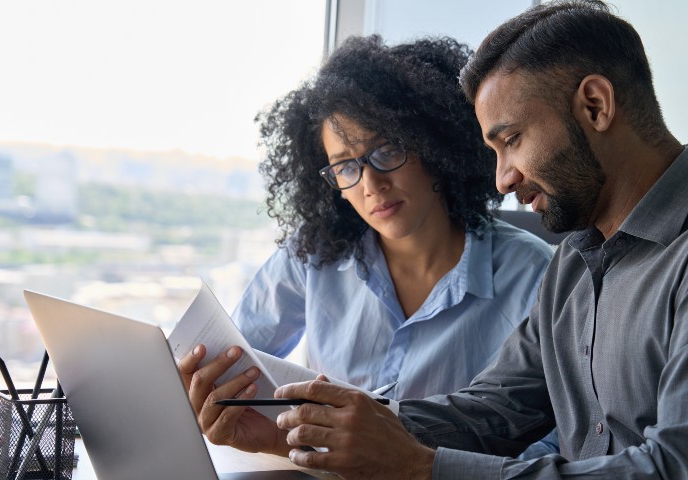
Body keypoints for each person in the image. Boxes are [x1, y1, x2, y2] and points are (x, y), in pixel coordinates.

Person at [182, 1, 688, 477]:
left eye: (510, 140)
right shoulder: (578, 264)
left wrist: (422, 470)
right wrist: (304, 431)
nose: (502, 178)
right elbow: (494, 410)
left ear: (595, 105)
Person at [180, 35, 557, 455]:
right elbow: (237, 360)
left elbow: (554, 444)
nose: (372, 184)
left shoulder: (534, 275)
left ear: (435, 147)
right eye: (345, 166)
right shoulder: (313, 257)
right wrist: (207, 394)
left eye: (387, 151)